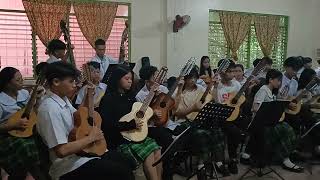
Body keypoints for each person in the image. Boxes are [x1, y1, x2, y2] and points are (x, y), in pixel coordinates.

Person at [36, 62, 134, 180]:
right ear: (56, 82)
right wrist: (91, 138)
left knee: (126, 161)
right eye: (71, 81)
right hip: (67, 165)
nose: (75, 85)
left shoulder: (63, 100)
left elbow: (80, 115)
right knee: (121, 172)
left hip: (83, 153)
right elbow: (61, 151)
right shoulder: (50, 109)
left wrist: (89, 96)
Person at [99, 64, 162, 180]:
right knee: (148, 151)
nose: (130, 82)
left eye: (131, 79)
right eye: (126, 79)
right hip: (119, 139)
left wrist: (153, 96)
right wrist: (130, 124)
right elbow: (107, 125)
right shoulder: (108, 99)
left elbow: (141, 111)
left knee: (157, 150)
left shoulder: (130, 96)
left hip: (133, 135)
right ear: (117, 80)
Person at [172, 67, 228, 177]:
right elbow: (176, 113)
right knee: (202, 135)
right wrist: (192, 108)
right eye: (190, 78)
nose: (193, 80)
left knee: (218, 132)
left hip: (202, 120)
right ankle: (200, 166)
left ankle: (218, 161)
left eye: (195, 78)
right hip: (184, 122)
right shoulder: (179, 91)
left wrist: (215, 87)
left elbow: (215, 101)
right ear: (185, 78)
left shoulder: (201, 89)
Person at [249, 69, 304, 173]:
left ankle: (285, 156)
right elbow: (255, 108)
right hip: (259, 125)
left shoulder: (273, 92)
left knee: (288, 128)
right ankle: (285, 159)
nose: (280, 83)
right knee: (286, 129)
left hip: (268, 122)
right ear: (270, 80)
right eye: (278, 80)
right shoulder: (263, 90)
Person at [0, 67, 48, 180]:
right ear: (7, 84)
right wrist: (13, 125)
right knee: (26, 147)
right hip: (8, 133)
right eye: (18, 80)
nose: (22, 81)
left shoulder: (25, 93)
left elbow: (32, 113)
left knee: (44, 139)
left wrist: (37, 99)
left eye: (22, 78)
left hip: (28, 129)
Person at [212, 59, 243, 174]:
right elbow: (215, 103)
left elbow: (241, 99)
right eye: (229, 71)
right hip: (221, 117)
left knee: (248, 124)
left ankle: (240, 156)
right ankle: (232, 159)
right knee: (234, 132)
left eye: (233, 71)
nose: (232, 74)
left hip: (235, 115)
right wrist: (214, 87)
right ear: (221, 72)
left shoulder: (236, 84)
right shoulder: (217, 86)